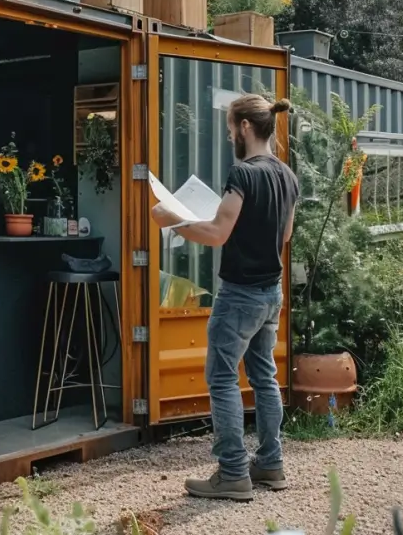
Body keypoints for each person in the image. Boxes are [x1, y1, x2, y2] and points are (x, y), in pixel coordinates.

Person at [150, 93, 299, 502]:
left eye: (231, 127)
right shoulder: (288, 176)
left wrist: (173, 220)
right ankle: (270, 464)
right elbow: (284, 236)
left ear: (245, 127)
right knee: (264, 376)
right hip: (272, 292)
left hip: (239, 295)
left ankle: (232, 473)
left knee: (221, 378)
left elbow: (217, 234)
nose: (230, 133)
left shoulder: (243, 174)